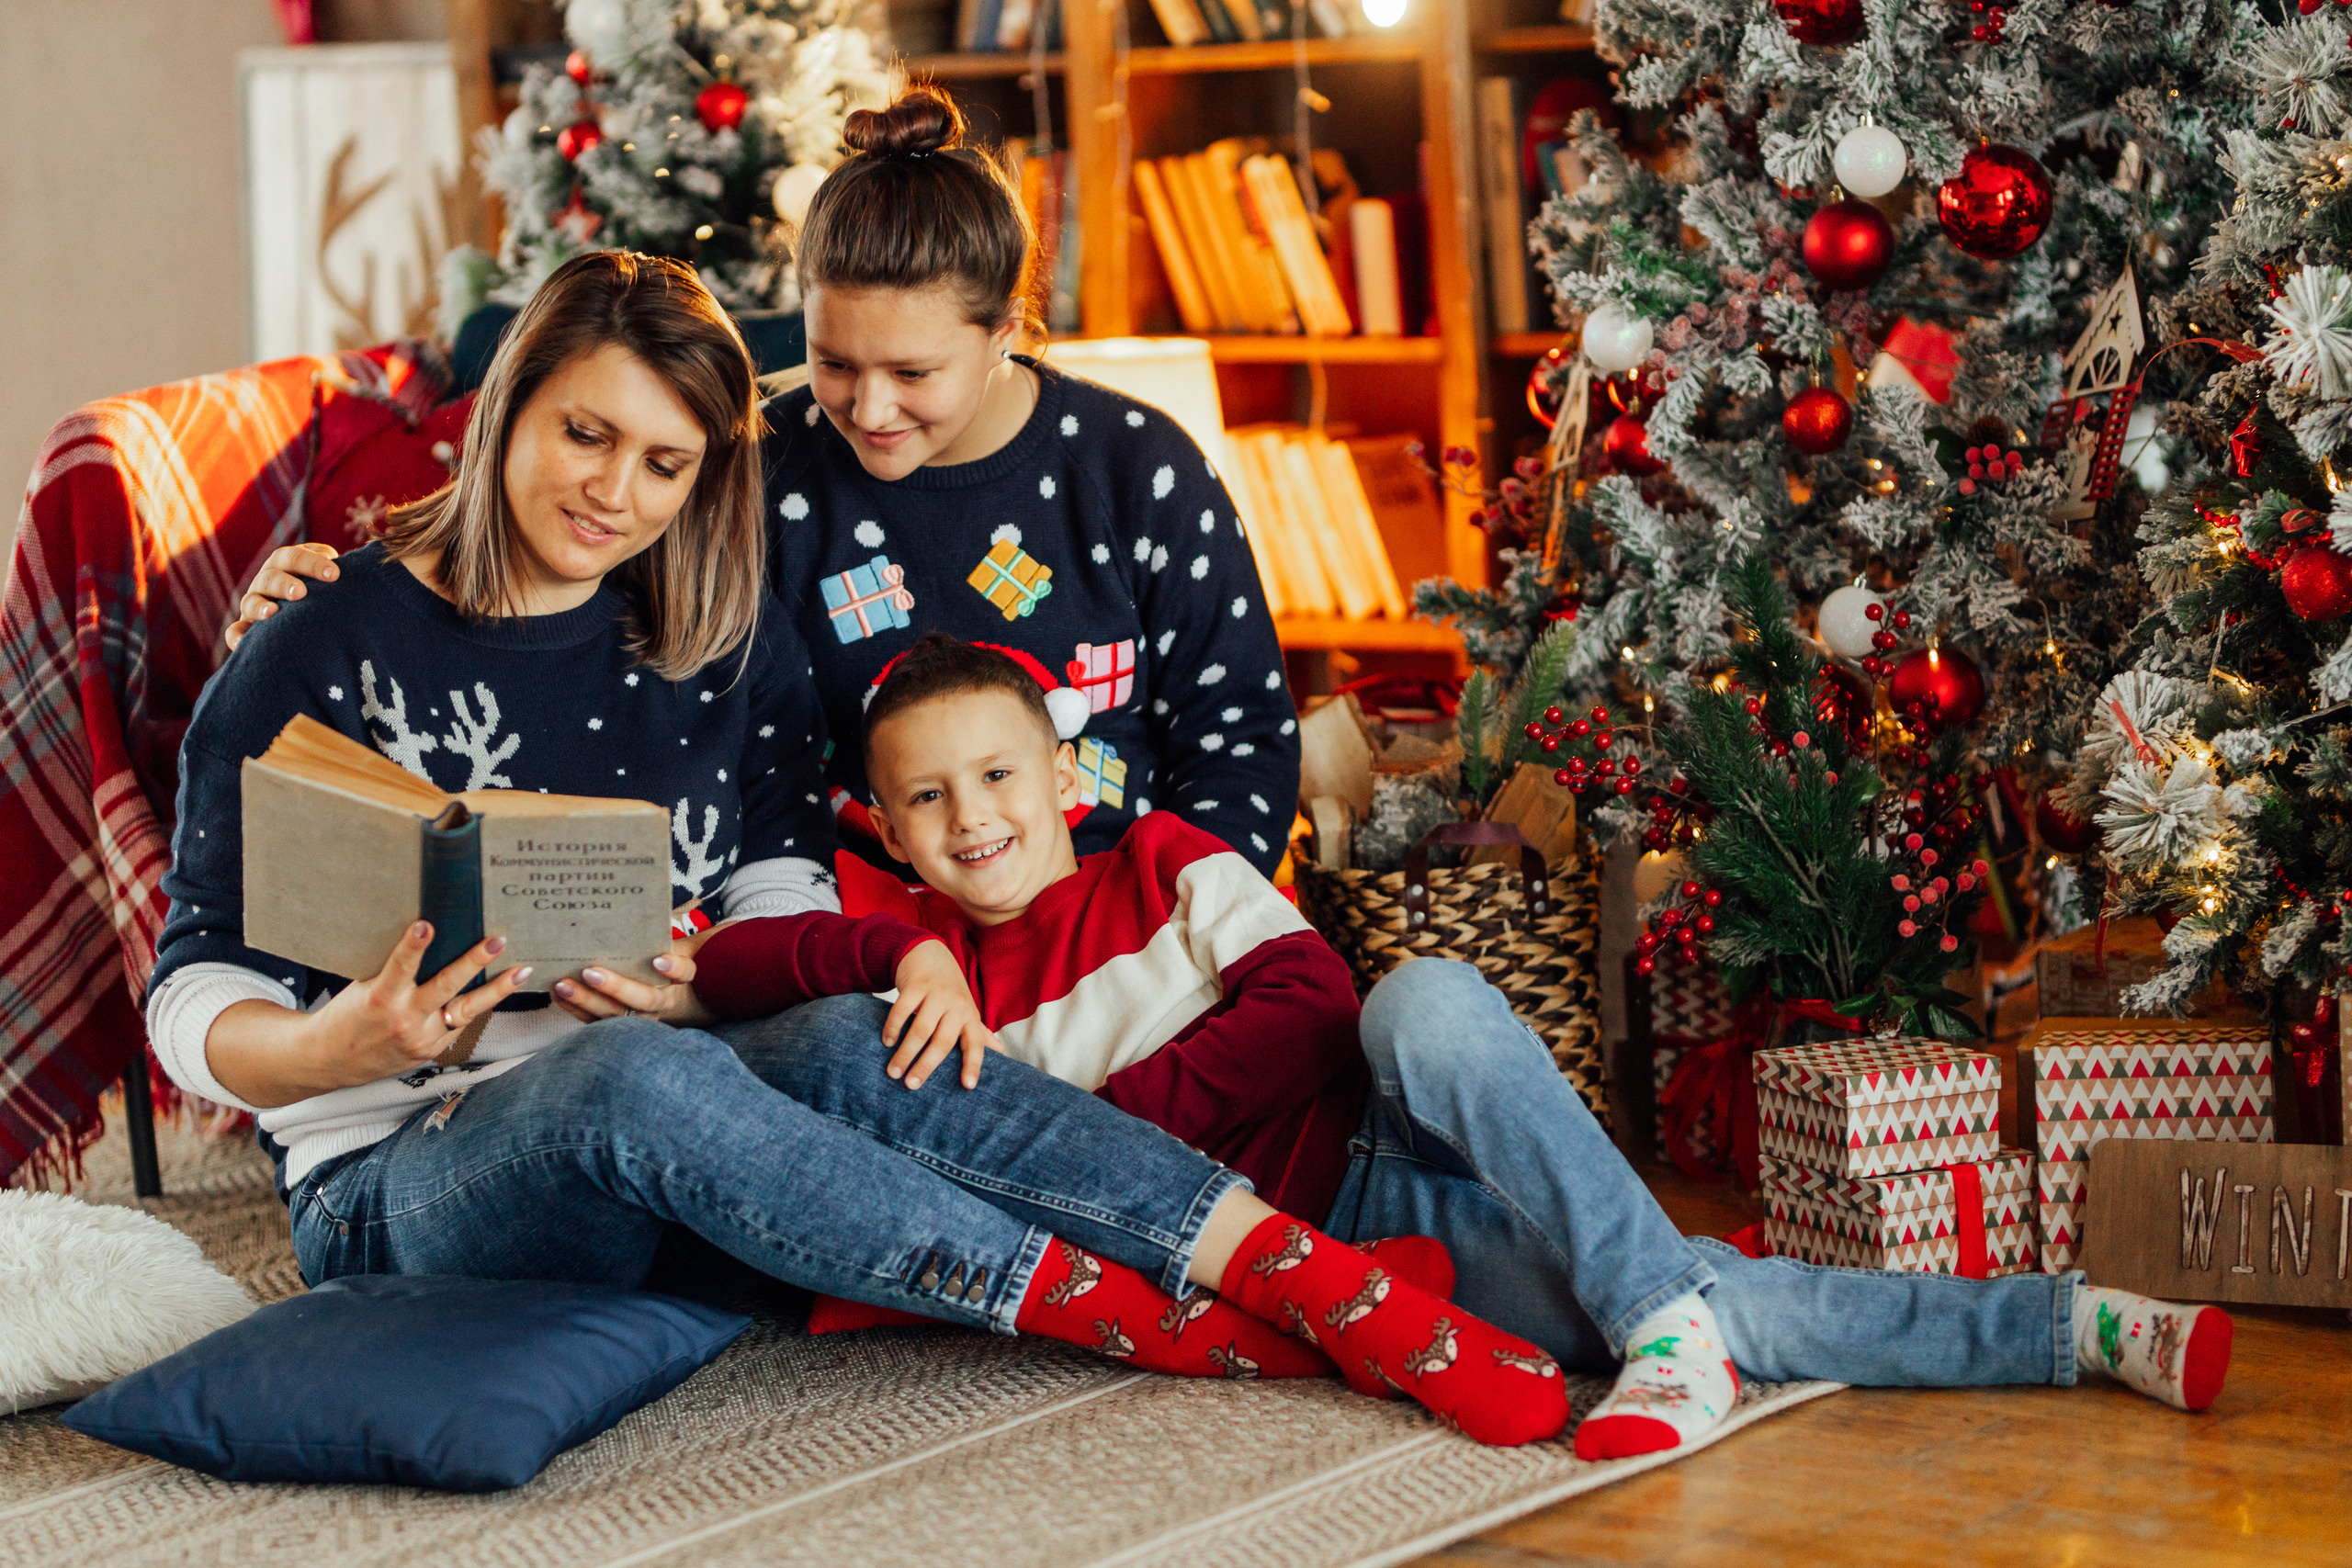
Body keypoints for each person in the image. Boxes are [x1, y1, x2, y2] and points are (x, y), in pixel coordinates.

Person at [150, 251, 1570, 1450]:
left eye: (664, 462)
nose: (616, 497)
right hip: (407, 1168)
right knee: (632, 1072)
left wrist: (717, 971)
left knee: (852, 1032)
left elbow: (779, 875)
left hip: (690, 1098)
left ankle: (1308, 1278)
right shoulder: (322, 639)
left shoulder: (708, 632)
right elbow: (193, 991)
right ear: (509, 402)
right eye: (585, 435)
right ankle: (1158, 1320)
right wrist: (338, 1045)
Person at [693, 635, 2238, 1463]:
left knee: (1416, 996)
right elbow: (738, 964)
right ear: (882, 829)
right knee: (1676, 1307)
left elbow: (1302, 1007)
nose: (974, 822)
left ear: (1065, 771)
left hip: (1398, 1119)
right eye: (927, 802)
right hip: (1351, 1237)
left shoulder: (1160, 856)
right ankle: (2077, 1324)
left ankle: (1667, 1314)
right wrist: (890, 940)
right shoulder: (939, 968)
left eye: (995, 775)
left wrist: (1108, 1123)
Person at [225, 84, 1300, 883]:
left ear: (1004, 336)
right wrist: (314, 610)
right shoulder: (759, 464)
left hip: (1121, 921)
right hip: (852, 936)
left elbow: (1242, 742)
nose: (869, 411)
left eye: (914, 374)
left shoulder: (1135, 471)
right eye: (835, 364)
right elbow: (571, 588)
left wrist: (1161, 941)